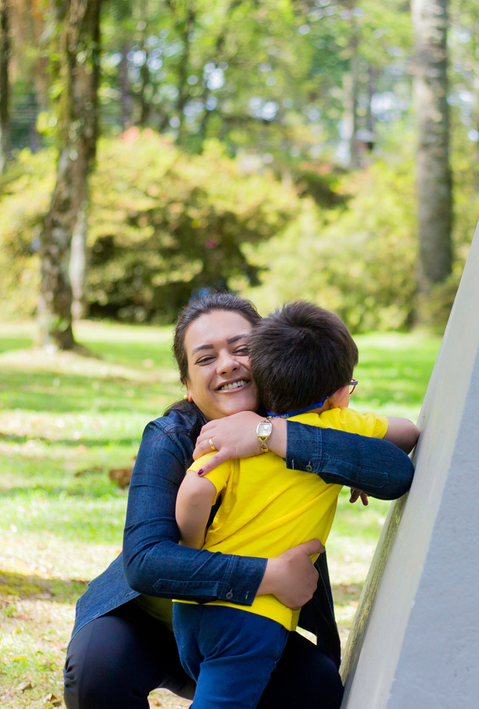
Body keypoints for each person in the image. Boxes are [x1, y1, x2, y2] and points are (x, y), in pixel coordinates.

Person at [62, 292, 416, 709]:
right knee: (97, 672)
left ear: (269, 356)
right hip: (150, 623)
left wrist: (270, 436)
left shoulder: (306, 421)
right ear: (188, 388)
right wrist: (269, 576)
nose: (227, 363)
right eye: (206, 358)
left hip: (247, 627)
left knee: (316, 688)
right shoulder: (172, 437)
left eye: (241, 349)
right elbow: (146, 561)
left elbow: (393, 471)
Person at [172, 301, 419, 708]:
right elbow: (408, 433)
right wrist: (349, 456)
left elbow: (196, 491)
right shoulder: (340, 424)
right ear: (341, 393)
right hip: (255, 615)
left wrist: (193, 546)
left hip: (193, 607)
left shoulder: (235, 433)